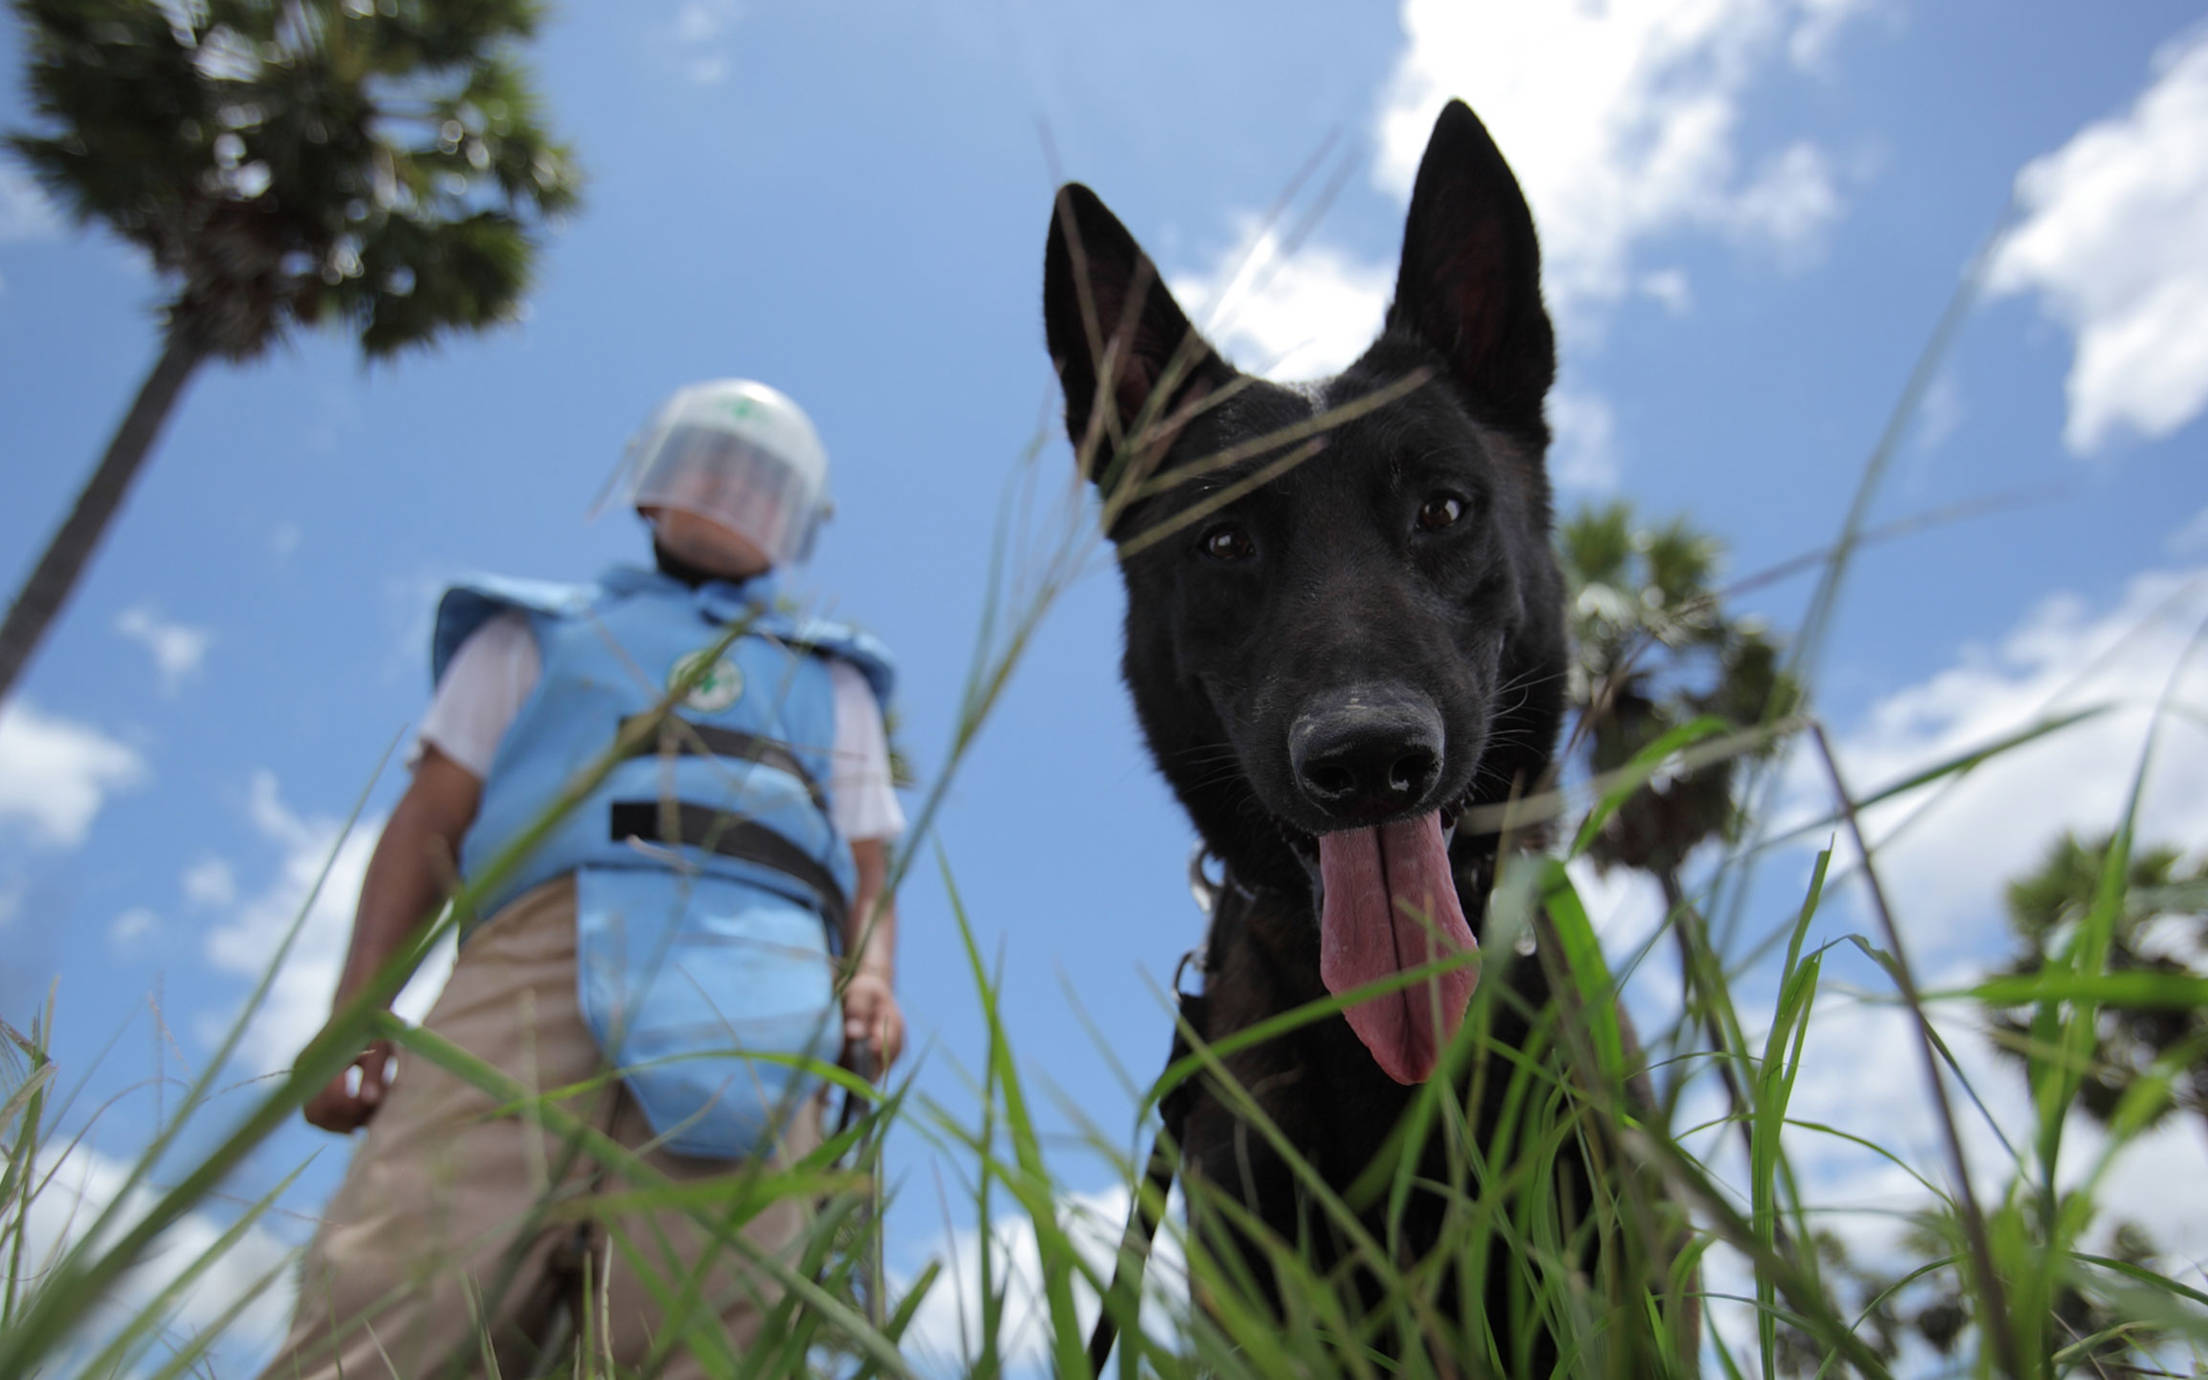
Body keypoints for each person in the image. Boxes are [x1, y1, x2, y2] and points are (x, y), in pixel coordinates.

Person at [258, 380, 904, 1379]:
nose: (733, 493)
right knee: (407, 1282)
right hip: (534, 959)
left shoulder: (831, 677)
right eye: (710, 467)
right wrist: (362, 1003)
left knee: (709, 1312)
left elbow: (867, 862)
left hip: (763, 994)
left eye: (762, 484)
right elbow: (431, 812)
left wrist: (868, 978)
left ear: (795, 522)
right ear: (650, 486)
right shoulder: (535, 631)